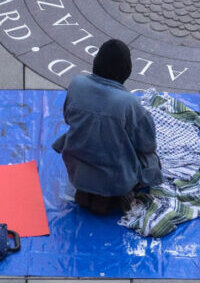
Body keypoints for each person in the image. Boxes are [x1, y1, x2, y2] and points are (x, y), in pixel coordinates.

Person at [53, 40, 160, 217]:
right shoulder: (130, 103)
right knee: (151, 160)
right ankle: (109, 195)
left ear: (96, 63)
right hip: (116, 178)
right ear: (126, 71)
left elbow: (68, 118)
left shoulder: (77, 84)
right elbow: (147, 145)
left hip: (78, 171)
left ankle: (88, 189)